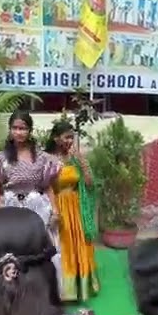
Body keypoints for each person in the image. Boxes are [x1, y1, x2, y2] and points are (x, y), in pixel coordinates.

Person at [0, 111, 62, 272]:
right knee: (11, 246)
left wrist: (55, 210)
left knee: (39, 246)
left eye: (23, 128)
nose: (19, 132)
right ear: (10, 130)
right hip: (10, 205)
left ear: (30, 130)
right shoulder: (0, 158)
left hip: (37, 205)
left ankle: (41, 287)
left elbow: (47, 186)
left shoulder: (42, 158)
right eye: (15, 128)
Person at [44, 118, 100, 302]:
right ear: (55, 138)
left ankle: (82, 286)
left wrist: (82, 162)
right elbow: (46, 187)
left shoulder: (76, 159)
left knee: (81, 243)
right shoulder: (48, 159)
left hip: (77, 208)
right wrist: (53, 211)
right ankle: (64, 290)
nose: (69, 141)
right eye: (66, 137)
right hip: (58, 206)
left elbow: (90, 184)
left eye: (71, 137)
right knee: (64, 246)